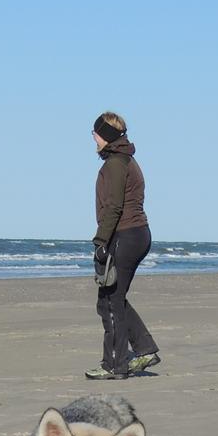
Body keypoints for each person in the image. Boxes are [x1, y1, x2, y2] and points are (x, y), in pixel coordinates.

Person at [86, 112, 160, 381]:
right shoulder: (125, 160)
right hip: (135, 234)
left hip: (126, 235)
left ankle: (114, 366)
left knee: (110, 301)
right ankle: (143, 349)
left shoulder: (116, 164)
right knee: (111, 299)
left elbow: (115, 206)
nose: (93, 137)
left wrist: (101, 241)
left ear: (105, 135)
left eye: (94, 133)